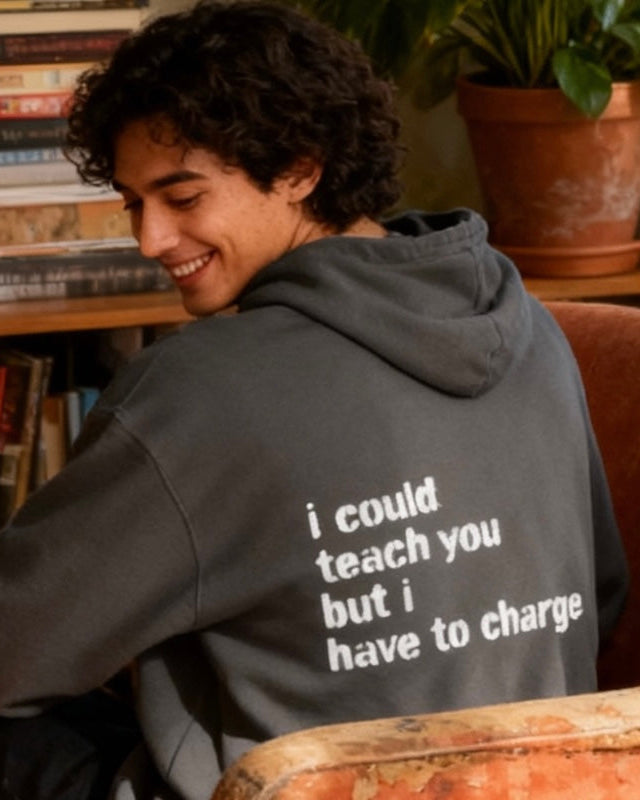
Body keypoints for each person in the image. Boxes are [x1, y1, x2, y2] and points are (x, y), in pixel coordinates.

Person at [0, 1, 629, 799]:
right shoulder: (534, 331)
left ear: (301, 166)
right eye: (133, 202)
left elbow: (16, 648)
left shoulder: (201, 388)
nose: (150, 238)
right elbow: (598, 599)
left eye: (183, 197)